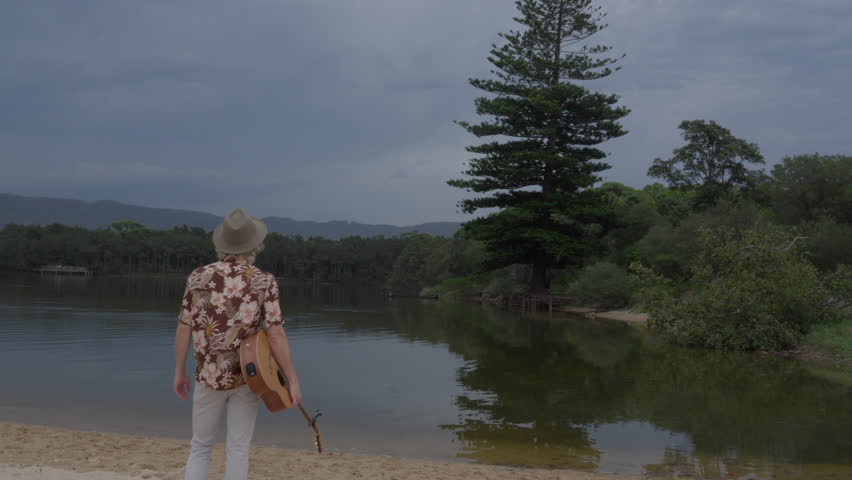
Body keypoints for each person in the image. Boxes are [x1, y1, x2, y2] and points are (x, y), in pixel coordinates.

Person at [173, 208, 302, 480]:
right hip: (247, 377)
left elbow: (184, 326)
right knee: (238, 447)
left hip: (207, 375)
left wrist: (179, 371)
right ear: (254, 245)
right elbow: (276, 333)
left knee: (200, 445)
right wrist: (292, 379)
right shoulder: (263, 281)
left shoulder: (197, 277)